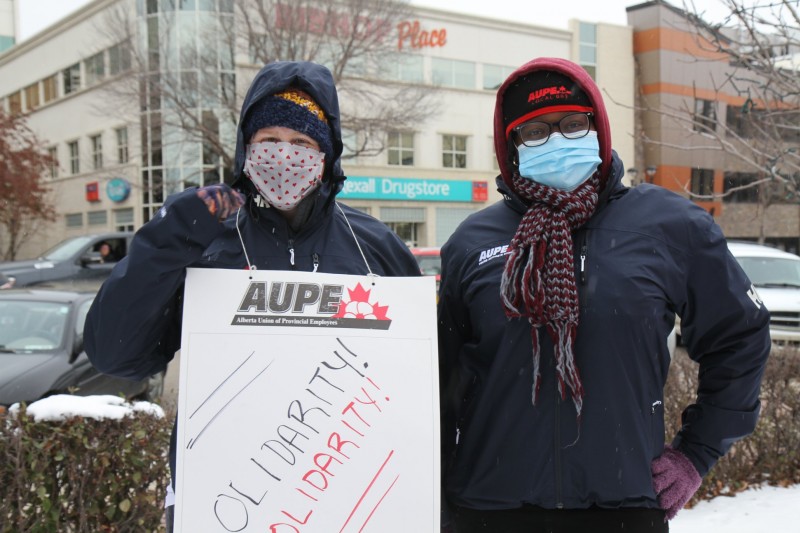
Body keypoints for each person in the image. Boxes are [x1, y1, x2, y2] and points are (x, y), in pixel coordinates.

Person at [437, 57, 771, 533]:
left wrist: (697, 452)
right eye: (534, 132)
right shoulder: (473, 241)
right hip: (488, 510)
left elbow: (740, 333)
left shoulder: (668, 226)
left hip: (621, 508)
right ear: (509, 146)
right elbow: (439, 378)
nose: (556, 140)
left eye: (573, 124)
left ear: (598, 127)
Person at [83, 61, 421, 531]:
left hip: (344, 493)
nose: (284, 155)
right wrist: (167, 244)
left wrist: (416, 486)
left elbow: (419, 376)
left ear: (326, 156)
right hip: (224, 498)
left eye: (302, 143)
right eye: (268, 140)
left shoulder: (375, 245)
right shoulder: (204, 241)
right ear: (246, 149)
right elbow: (117, 356)